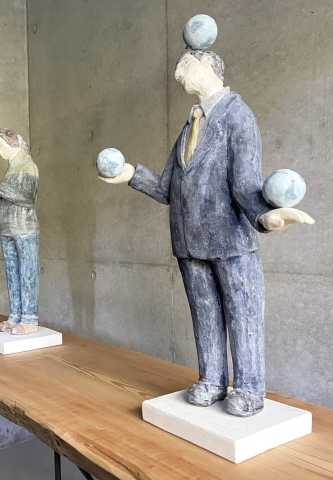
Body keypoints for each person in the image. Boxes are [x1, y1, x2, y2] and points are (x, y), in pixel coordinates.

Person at [101, 50, 313, 417]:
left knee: (243, 313)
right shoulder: (191, 123)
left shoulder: (237, 116)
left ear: (208, 66)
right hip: (189, 242)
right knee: (204, 313)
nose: (178, 73)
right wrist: (131, 174)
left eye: (185, 65)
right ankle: (212, 379)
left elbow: (245, 183)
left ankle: (248, 388)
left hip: (230, 242)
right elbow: (168, 187)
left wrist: (266, 217)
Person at [0, 128, 40, 336]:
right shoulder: (12, 168)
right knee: (12, 273)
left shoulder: (27, 165)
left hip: (24, 229)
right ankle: (15, 316)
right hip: (7, 229)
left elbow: (27, 198)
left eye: (0, 145)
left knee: (27, 273)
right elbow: (5, 203)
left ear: (11, 143)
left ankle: (29, 318)